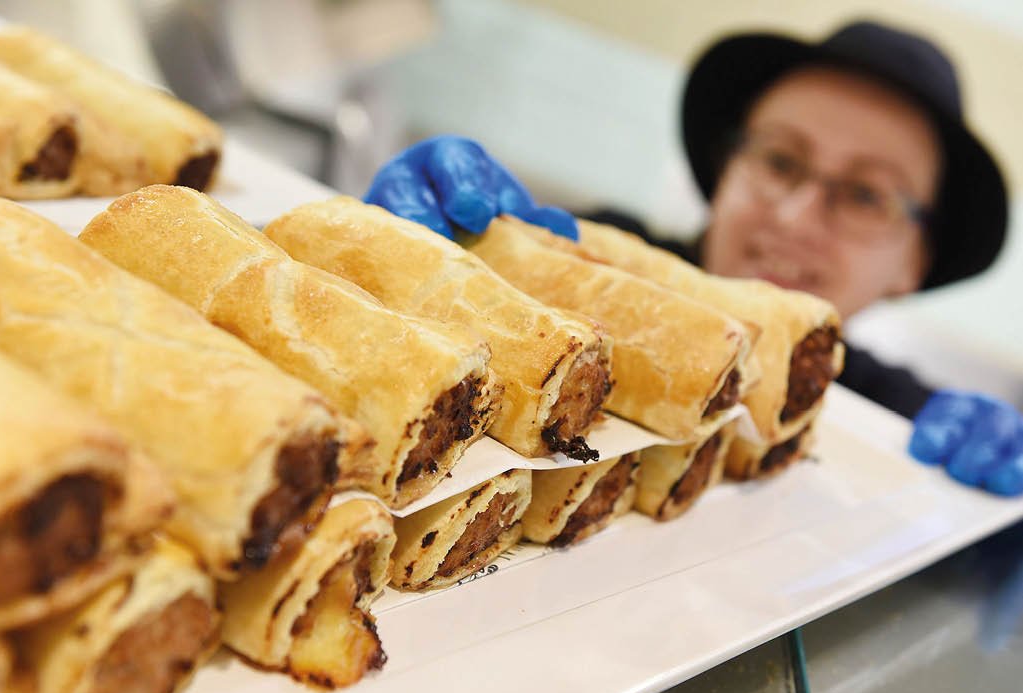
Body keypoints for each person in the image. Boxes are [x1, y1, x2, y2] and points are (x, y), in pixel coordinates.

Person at [361, 21, 1023, 495]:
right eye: (780, 160)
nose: (792, 217)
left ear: (913, 263)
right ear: (725, 167)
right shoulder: (583, 254)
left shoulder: (892, 413)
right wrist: (415, 255)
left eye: (862, 194)